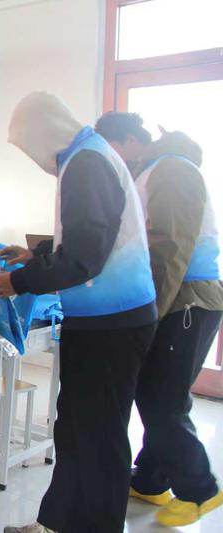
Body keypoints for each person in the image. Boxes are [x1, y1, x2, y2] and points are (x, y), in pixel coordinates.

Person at [0, 93, 158, 533]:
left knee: (99, 435)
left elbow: (85, 256)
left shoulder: (87, 163)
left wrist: (21, 281)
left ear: (44, 132)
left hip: (113, 323)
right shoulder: (85, 155)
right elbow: (90, 234)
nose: (35, 159)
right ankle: (58, 522)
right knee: (75, 427)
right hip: (103, 321)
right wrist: (36, 254)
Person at [126, 129, 223, 526]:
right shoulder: (160, 169)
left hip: (185, 301)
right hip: (183, 299)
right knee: (159, 393)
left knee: (160, 398)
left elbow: (171, 249)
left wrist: (150, 313)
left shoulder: (173, 171)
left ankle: (200, 490)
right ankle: (151, 480)